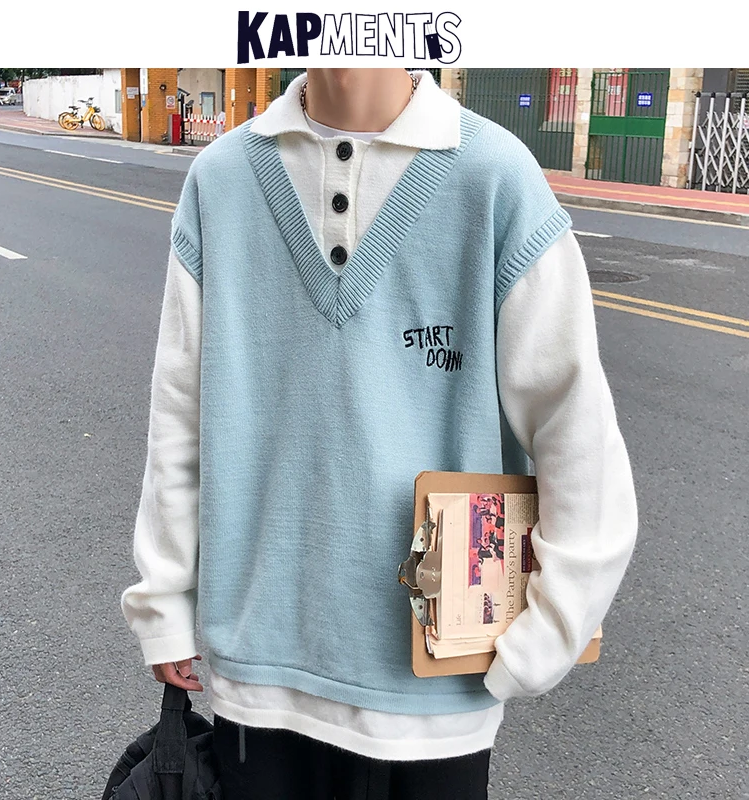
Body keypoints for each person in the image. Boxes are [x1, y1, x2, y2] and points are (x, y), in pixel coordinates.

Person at [121, 68, 638, 799]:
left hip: (436, 702)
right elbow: (179, 412)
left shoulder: (494, 178)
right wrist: (165, 599)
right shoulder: (221, 180)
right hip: (261, 679)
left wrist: (551, 631)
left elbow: (575, 426)